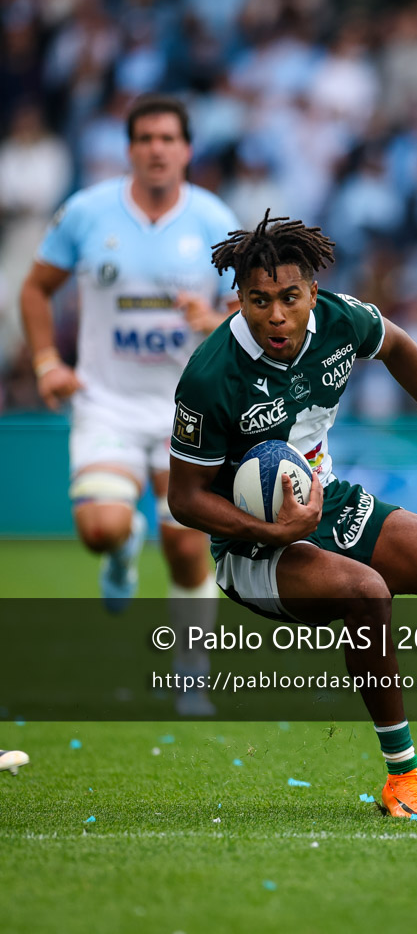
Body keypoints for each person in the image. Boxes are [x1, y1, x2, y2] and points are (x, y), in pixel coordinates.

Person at [168, 211, 417, 817]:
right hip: (248, 547)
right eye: (259, 301)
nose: (276, 315)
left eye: (289, 297)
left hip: (325, 501)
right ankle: (403, 774)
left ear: (312, 291)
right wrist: (270, 529)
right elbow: (185, 499)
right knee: (368, 593)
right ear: (240, 299)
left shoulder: (343, 319)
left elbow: (402, 348)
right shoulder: (209, 376)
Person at [20, 94, 240, 715]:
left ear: (187, 149)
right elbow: (36, 290)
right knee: (100, 528)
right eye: (144, 138)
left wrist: (217, 317)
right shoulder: (87, 213)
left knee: (187, 548)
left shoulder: (215, 219)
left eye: (168, 138)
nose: (156, 149)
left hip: (188, 411)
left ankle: (191, 679)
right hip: (107, 403)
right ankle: (122, 548)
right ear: (129, 149)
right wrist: (46, 362)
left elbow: (254, 310)